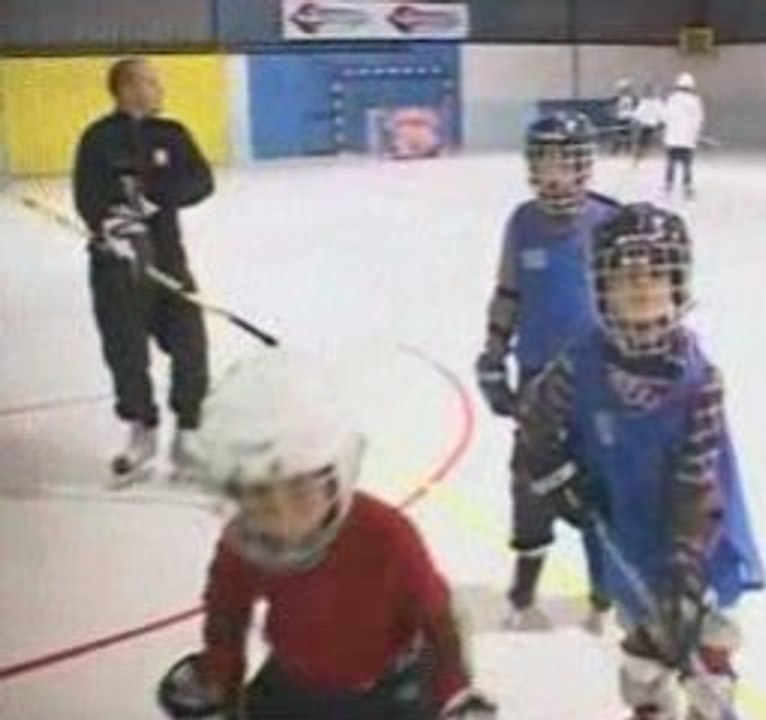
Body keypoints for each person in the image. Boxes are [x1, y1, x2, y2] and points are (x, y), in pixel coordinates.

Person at [514, 203, 766, 719]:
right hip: (626, 527)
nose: (642, 289)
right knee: (644, 657)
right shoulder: (580, 364)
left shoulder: (699, 381)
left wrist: (686, 576)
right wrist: (560, 478)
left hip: (701, 535)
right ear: (601, 289)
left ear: (677, 284)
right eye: (626, 278)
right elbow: (535, 424)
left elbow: (698, 484)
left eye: (655, 275)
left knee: (706, 645)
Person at [157, 352, 497, 720]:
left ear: (335, 476)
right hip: (298, 683)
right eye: (258, 494)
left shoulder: (387, 537)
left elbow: (437, 620)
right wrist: (220, 669)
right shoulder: (244, 541)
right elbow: (227, 608)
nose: (282, 516)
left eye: (298, 489)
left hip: (390, 692)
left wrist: (453, 690)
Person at [474, 113, 621, 632]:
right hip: (538, 379)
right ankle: (524, 586)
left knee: (599, 485)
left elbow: (628, 303)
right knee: (531, 481)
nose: (555, 174)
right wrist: (493, 357)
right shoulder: (522, 222)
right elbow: (508, 293)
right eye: (545, 163)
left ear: (584, 165)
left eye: (566, 162)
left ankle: (604, 593)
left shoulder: (609, 222)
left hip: (597, 378)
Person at [72, 57, 214, 478]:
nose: (158, 89)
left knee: (190, 343)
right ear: (126, 88)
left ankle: (188, 434)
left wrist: (157, 196)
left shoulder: (172, 134)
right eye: (149, 82)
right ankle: (142, 430)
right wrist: (108, 224)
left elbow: (202, 181)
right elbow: (86, 193)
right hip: (117, 265)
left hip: (168, 259)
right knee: (126, 352)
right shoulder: (98, 138)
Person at [661, 73, 704, 198]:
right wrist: (696, 135)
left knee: (671, 162)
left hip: (672, 138)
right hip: (688, 140)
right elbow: (699, 120)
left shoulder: (671, 99)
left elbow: (665, 117)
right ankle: (687, 187)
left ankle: (668, 185)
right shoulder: (695, 101)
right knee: (687, 164)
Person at [632, 84, 665, 158]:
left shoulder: (656, 102)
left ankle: (641, 153)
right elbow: (639, 113)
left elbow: (661, 114)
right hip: (647, 125)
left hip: (652, 125)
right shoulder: (645, 101)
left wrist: (661, 122)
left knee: (644, 141)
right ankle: (639, 154)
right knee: (642, 141)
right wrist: (635, 119)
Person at [612, 78, 639, 155]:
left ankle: (621, 150)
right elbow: (635, 106)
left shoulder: (623, 97)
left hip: (625, 117)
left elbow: (635, 106)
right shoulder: (630, 97)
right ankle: (618, 150)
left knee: (625, 135)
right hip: (624, 117)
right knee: (622, 135)